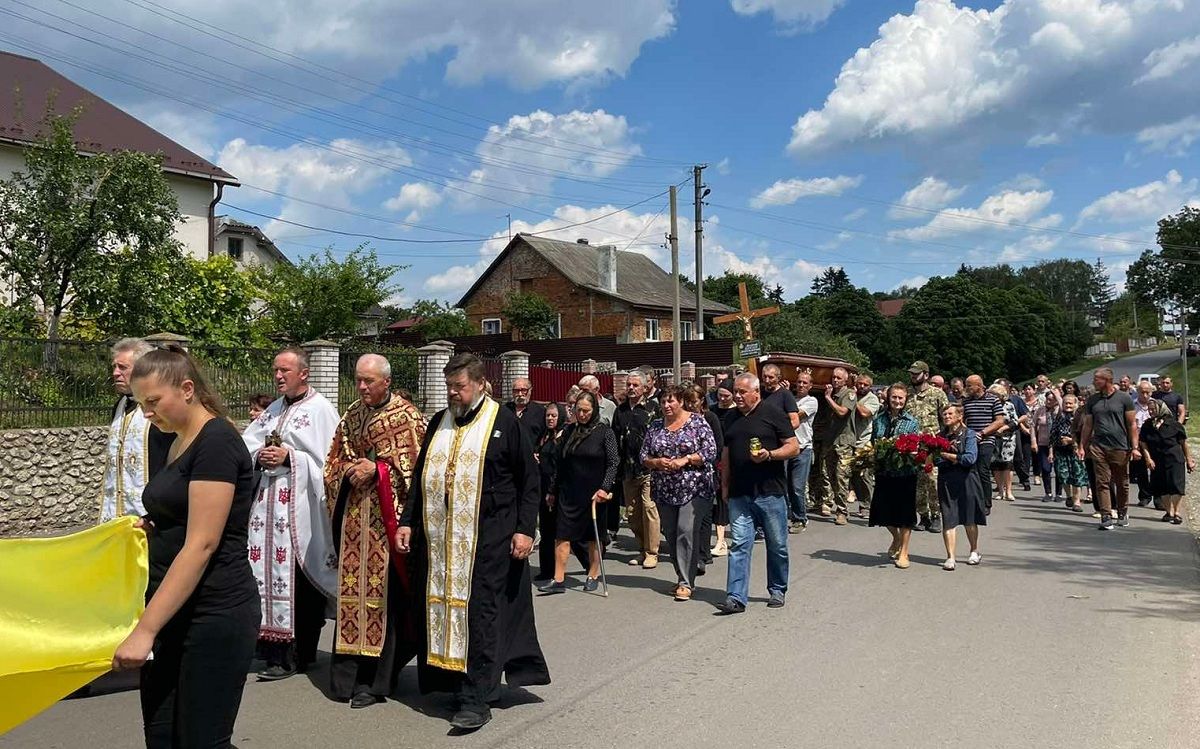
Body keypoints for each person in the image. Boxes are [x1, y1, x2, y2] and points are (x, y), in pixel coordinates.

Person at [111, 345, 259, 748]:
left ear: (188, 388)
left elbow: (202, 543)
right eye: (141, 403)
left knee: (201, 740)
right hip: (172, 608)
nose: (146, 413)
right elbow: (177, 510)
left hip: (214, 612)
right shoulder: (167, 438)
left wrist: (144, 630)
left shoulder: (217, 442)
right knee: (161, 736)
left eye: (154, 401)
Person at [397, 353, 550, 731]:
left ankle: (476, 696)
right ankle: (449, 680)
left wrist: (525, 529)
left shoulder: (503, 422)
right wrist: (407, 522)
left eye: (459, 387)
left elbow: (529, 480)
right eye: (449, 386)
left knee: (480, 613)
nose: (453, 393)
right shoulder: (440, 421)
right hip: (441, 540)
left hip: (490, 537)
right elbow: (420, 478)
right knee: (442, 609)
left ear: (480, 384)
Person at [323, 354, 426, 708]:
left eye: (369, 381)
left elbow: (416, 472)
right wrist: (350, 468)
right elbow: (332, 460)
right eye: (358, 380)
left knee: (386, 599)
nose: (362, 387)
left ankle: (377, 679)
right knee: (353, 595)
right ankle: (347, 677)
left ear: (387, 381)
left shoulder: (407, 418)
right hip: (355, 524)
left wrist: (379, 470)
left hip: (387, 528)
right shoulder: (352, 414)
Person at [242, 347, 339, 681]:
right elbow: (247, 447)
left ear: (304, 373)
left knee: (301, 580)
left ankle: (298, 654)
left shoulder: (321, 410)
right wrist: (261, 457)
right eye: (275, 370)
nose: (278, 376)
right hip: (267, 510)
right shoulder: (272, 409)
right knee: (264, 575)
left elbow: (330, 464)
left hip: (302, 513)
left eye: (285, 370)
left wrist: (290, 459)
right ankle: (269, 648)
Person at [717, 373, 800, 614]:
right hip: (739, 493)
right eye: (736, 391)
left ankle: (777, 589)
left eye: (743, 392)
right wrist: (724, 485)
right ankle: (735, 597)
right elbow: (726, 452)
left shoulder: (773, 414)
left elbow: (793, 446)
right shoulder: (730, 417)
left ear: (756, 393)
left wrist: (770, 455)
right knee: (740, 544)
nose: (738, 396)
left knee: (777, 545)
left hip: (770, 492)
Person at [641, 385, 717, 601]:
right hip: (665, 489)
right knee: (672, 534)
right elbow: (643, 455)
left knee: (686, 530)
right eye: (663, 401)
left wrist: (686, 459)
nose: (666, 405)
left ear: (681, 402)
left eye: (671, 401)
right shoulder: (655, 426)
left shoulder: (697, 422)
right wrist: (656, 462)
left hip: (695, 487)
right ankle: (682, 576)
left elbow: (710, 451)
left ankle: (685, 582)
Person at [540, 392, 618, 594]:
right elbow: (560, 463)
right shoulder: (569, 431)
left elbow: (612, 463)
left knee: (593, 536)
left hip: (594, 494)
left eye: (586, 411)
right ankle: (558, 579)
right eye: (578, 410)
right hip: (568, 492)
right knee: (562, 535)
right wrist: (552, 490)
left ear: (594, 411)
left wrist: (605, 488)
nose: (582, 414)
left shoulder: (605, 433)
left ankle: (593, 574)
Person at [101, 338, 174, 523]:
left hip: (150, 517)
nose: (115, 373)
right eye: (114, 367)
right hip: (115, 515)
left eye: (122, 367)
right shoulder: (120, 405)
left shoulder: (162, 408)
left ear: (143, 368)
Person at [612, 371, 663, 569]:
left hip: (649, 469)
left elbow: (661, 436)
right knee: (633, 513)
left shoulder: (653, 408)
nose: (631, 388)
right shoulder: (621, 410)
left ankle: (652, 552)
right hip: (627, 469)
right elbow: (615, 439)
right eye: (629, 385)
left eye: (635, 385)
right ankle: (642, 548)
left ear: (644, 388)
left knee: (649, 509)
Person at [1078, 367, 1138, 530]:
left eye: (1097, 379)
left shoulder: (1124, 399)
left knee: (1122, 482)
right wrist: (1081, 446)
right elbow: (1088, 425)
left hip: (1120, 446)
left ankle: (1122, 511)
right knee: (1102, 482)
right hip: (1098, 446)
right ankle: (1106, 516)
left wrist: (1134, 447)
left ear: (1107, 380)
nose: (1094, 382)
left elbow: (1132, 424)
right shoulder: (1093, 401)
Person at [868, 384, 920, 569]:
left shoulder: (912, 421)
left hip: (905, 473)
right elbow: (874, 442)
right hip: (885, 472)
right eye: (894, 397)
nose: (897, 401)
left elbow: (915, 446)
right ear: (888, 398)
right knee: (883, 512)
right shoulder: (879, 420)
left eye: (901, 398)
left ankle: (904, 552)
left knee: (905, 514)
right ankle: (896, 538)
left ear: (905, 400)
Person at [936, 404, 986, 570]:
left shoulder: (969, 434)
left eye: (950, 413)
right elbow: (936, 459)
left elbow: (970, 458)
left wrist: (948, 456)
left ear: (959, 416)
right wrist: (953, 458)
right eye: (944, 414)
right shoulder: (940, 436)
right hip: (946, 480)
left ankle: (974, 550)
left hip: (967, 479)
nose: (946, 416)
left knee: (968, 517)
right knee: (948, 517)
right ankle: (950, 557)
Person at [685, 383, 724, 575]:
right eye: (688, 402)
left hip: (707, 472)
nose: (691, 405)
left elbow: (718, 444)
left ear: (702, 401)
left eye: (694, 401)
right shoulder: (683, 420)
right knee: (689, 516)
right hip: (685, 474)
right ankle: (694, 552)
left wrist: (707, 461)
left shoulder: (710, 418)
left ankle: (702, 553)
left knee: (704, 515)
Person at [906, 361, 949, 532]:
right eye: (911, 373)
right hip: (911, 444)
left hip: (932, 444)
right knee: (917, 482)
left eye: (916, 373)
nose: (913, 376)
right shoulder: (908, 394)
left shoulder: (937, 394)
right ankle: (923, 516)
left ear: (926, 375)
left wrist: (942, 440)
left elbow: (947, 417)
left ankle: (936, 515)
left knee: (932, 480)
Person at [1140, 399, 1194, 524]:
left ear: (1161, 409)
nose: (1151, 411)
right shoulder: (1147, 425)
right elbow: (1143, 443)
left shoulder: (1174, 424)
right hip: (1157, 459)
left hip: (1174, 458)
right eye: (1149, 409)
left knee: (1176, 485)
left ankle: (1177, 512)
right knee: (1161, 487)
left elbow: (1183, 443)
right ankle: (1168, 512)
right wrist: (1148, 458)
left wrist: (1189, 460)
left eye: (1153, 409)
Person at [961, 375, 1007, 512]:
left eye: (969, 385)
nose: (967, 388)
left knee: (982, 469)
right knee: (970, 470)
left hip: (987, 439)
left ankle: (986, 503)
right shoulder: (966, 402)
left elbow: (1000, 421)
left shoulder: (993, 400)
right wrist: (968, 433)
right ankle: (972, 499)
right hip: (970, 439)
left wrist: (982, 433)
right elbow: (961, 420)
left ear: (979, 386)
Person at [819, 367, 858, 525]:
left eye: (838, 378)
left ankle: (842, 511)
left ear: (845, 380)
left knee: (842, 477)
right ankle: (830, 503)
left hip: (844, 442)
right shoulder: (832, 393)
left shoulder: (849, 394)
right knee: (829, 476)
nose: (835, 380)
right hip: (830, 442)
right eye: (833, 377)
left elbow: (842, 412)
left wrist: (828, 398)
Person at [535, 403, 567, 580]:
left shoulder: (563, 437)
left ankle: (590, 565)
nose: (550, 419)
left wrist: (553, 491)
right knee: (547, 531)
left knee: (562, 532)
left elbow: (560, 466)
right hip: (542, 487)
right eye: (548, 415)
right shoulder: (544, 436)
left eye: (554, 416)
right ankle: (547, 570)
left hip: (557, 490)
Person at [787, 371, 819, 532]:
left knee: (797, 486)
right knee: (784, 486)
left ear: (810, 386)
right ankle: (788, 515)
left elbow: (795, 415)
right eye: (799, 382)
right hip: (787, 447)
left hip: (803, 448)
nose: (801, 385)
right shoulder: (789, 399)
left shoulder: (812, 401)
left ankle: (800, 518)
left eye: (805, 383)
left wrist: (784, 397)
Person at [710, 378, 737, 556]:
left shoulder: (737, 412)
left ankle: (737, 534)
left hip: (734, 458)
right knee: (720, 499)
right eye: (720, 395)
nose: (722, 399)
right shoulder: (712, 411)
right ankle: (720, 541)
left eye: (726, 396)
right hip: (716, 459)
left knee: (734, 499)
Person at [850, 374, 881, 519]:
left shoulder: (872, 399)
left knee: (865, 476)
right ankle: (863, 504)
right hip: (850, 440)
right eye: (859, 383)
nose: (861, 386)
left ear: (870, 386)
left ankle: (868, 506)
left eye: (865, 384)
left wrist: (852, 399)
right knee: (854, 476)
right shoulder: (852, 393)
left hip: (865, 442)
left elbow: (864, 413)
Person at [1051, 394, 1089, 511]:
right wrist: (1051, 451)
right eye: (1065, 403)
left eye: (1070, 403)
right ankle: (1069, 496)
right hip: (1061, 451)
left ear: (1075, 404)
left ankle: (1077, 502)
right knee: (1063, 475)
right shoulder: (1059, 417)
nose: (1068, 405)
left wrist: (1071, 441)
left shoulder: (1080, 417)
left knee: (1077, 476)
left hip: (1075, 450)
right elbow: (1053, 434)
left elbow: (1085, 434)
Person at [989, 383, 1020, 503]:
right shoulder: (989, 405)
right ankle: (1000, 490)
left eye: (995, 395)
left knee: (1007, 464)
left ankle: (1009, 491)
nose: (993, 397)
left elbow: (1015, 421)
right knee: (996, 464)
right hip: (993, 437)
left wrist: (1003, 428)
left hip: (1008, 438)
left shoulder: (1009, 405)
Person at [1131, 381, 1159, 508]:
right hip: (1138, 440)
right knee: (1140, 471)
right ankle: (1144, 496)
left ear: (1151, 392)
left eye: (1147, 392)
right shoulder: (1132, 405)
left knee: (1156, 470)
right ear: (1137, 391)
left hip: (1154, 440)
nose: (1145, 395)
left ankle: (1159, 497)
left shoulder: (1157, 404)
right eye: (1142, 392)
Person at [1031, 390, 1059, 502]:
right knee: (1045, 468)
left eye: (1052, 399)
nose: (1049, 401)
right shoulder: (1040, 410)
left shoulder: (1059, 410)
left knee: (1058, 470)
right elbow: (1032, 425)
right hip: (1043, 443)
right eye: (1048, 399)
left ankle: (1059, 493)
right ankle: (1048, 492)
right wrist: (1033, 440)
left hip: (1058, 445)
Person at [504, 377, 546, 446]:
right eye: (516, 391)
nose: (520, 394)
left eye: (523, 390)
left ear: (530, 390)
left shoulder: (540, 411)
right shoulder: (505, 410)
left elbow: (545, 436)